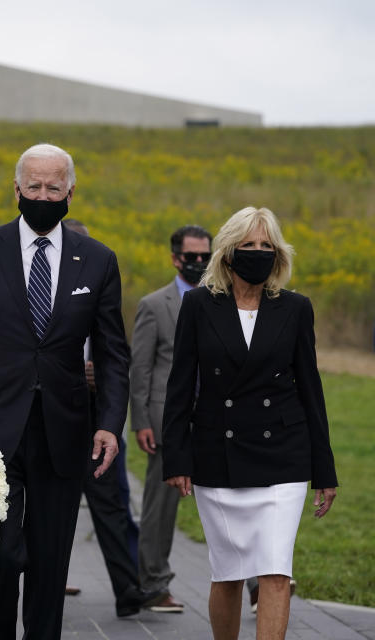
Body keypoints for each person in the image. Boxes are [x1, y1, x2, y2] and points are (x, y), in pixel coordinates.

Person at [0, 144, 136, 638]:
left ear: (71, 192)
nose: (44, 195)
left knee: (48, 563)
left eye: (54, 187)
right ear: (17, 189)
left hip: (64, 433)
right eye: (35, 186)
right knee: (0, 555)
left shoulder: (99, 261)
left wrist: (108, 423)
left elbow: (112, 354)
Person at [162, 207, 338, 640]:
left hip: (283, 457)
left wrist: (324, 470)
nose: (257, 253)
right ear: (228, 251)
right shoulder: (199, 304)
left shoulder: (296, 308)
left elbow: (311, 390)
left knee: (276, 571)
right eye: (248, 245)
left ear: (278, 253)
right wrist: (176, 457)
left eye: (266, 245)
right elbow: (181, 384)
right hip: (218, 458)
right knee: (228, 573)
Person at [61, 218, 163, 616]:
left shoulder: (100, 289)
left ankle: (128, 592)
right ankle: (45, 587)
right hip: (53, 423)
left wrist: (99, 379)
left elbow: (117, 356)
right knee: (50, 511)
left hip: (96, 425)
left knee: (113, 510)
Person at [129, 224, 212, 614]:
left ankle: (257, 583)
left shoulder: (222, 300)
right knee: (160, 511)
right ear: (175, 257)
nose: (198, 263)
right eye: (191, 256)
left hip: (216, 422)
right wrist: (141, 420)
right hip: (166, 425)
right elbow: (140, 369)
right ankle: (154, 585)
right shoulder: (154, 304)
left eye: (205, 256)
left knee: (236, 502)